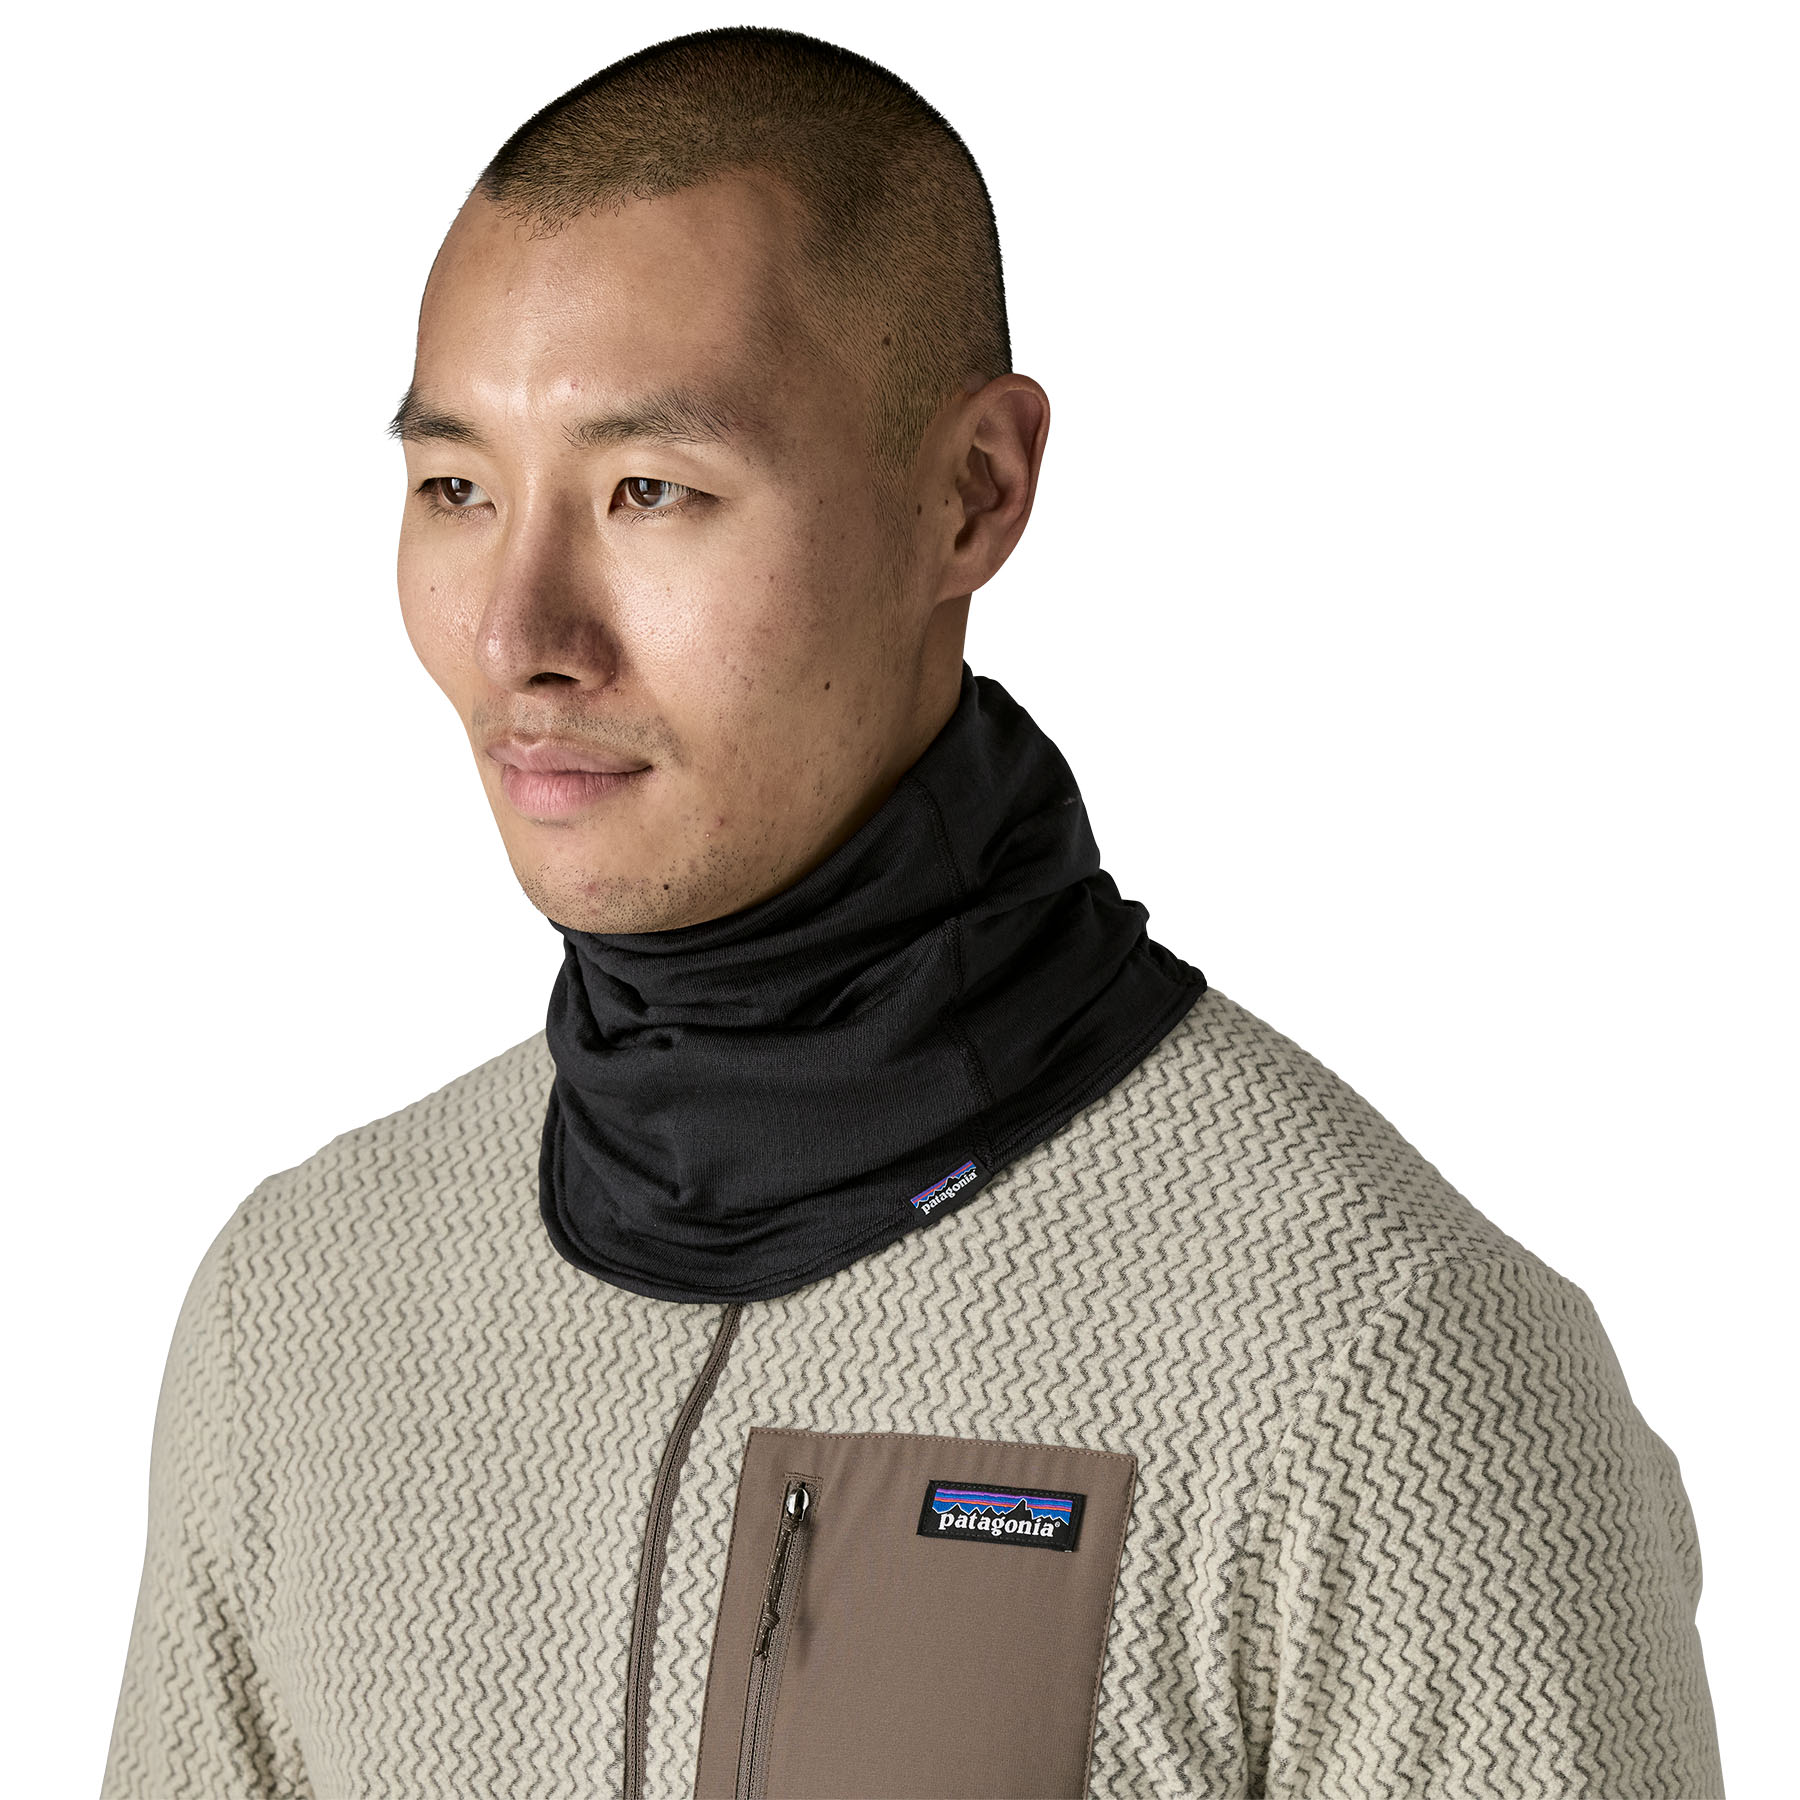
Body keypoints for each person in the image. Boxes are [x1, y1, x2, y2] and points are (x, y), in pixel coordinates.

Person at [102, 25, 1722, 1799]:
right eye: (456, 490)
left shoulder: (1385, 1369)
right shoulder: (298, 1315)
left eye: (652, 491)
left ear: (974, 495)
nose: (517, 634)